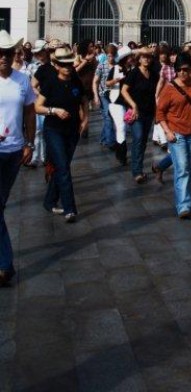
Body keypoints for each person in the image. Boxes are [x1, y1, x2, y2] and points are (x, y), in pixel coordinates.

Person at [35, 46, 88, 222]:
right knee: (64, 168)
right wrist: (54, 110)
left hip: (72, 130)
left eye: (70, 64)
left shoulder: (76, 80)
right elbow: (37, 107)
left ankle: (49, 201)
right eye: (63, 65)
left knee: (61, 167)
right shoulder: (50, 82)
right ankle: (70, 208)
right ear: (56, 65)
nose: (68, 67)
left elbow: (83, 99)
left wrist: (85, 118)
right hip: (54, 130)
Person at [155, 53, 191, 219]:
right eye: (178, 70)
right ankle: (184, 206)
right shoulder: (170, 88)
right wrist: (167, 131)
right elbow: (160, 112)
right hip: (176, 133)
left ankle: (185, 198)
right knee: (182, 169)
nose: (181, 73)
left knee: (190, 167)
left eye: (185, 69)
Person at [0, 31, 36, 286]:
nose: (2, 58)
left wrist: (30, 142)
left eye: (6, 53)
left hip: (13, 151)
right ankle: (5, 264)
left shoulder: (22, 80)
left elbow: (30, 114)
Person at [121, 47, 159, 184]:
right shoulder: (134, 73)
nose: (146, 59)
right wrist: (133, 105)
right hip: (136, 113)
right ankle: (136, 171)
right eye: (143, 57)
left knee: (143, 141)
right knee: (137, 138)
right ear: (139, 59)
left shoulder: (154, 74)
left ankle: (139, 169)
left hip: (149, 111)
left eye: (148, 57)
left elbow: (157, 92)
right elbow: (124, 91)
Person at [92, 43, 117, 149]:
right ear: (106, 55)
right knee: (108, 117)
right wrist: (96, 96)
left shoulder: (118, 66)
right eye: (109, 55)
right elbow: (95, 81)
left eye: (112, 55)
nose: (111, 58)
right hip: (104, 95)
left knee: (111, 117)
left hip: (115, 95)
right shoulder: (101, 66)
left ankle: (103, 138)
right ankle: (110, 142)